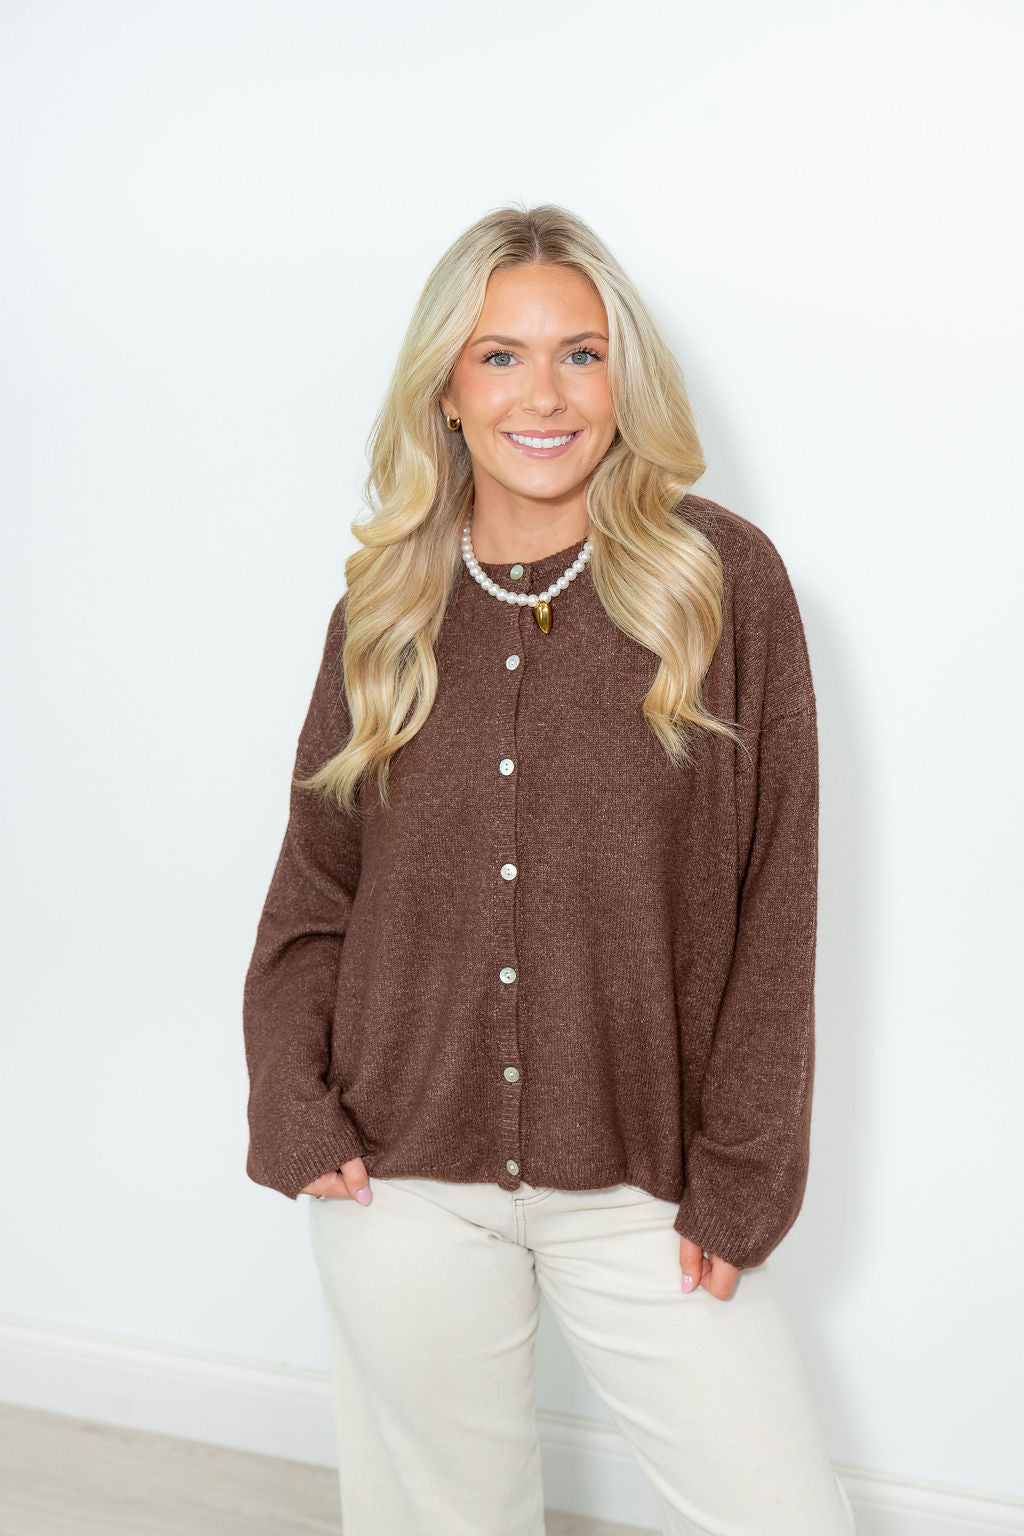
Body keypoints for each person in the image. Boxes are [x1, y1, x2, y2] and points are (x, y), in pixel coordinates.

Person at [242, 203, 857, 1536]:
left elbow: (778, 907)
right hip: (397, 1176)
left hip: (647, 1182)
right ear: (446, 390)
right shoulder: (384, 611)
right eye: (501, 356)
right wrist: (294, 1105)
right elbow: (314, 893)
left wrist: (743, 1175)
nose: (545, 394)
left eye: (582, 354)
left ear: (623, 379)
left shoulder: (721, 584)